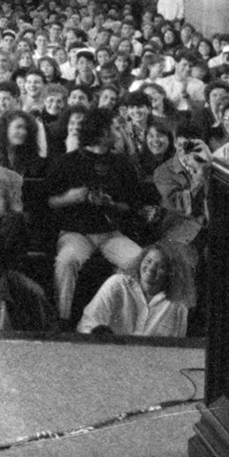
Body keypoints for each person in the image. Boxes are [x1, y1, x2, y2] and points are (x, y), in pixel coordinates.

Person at [47, 108, 156, 322]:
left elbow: (132, 205)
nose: (119, 131)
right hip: (76, 232)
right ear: (101, 132)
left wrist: (112, 204)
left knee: (137, 261)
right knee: (67, 261)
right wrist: (72, 198)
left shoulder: (121, 163)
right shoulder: (67, 161)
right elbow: (48, 201)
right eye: (115, 127)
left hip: (110, 233)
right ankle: (62, 319)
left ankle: (121, 318)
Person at [77, 242, 195, 338]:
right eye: (148, 261)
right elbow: (87, 326)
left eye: (160, 266)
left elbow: (176, 346)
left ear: (171, 273)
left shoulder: (178, 304)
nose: (151, 268)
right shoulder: (117, 285)